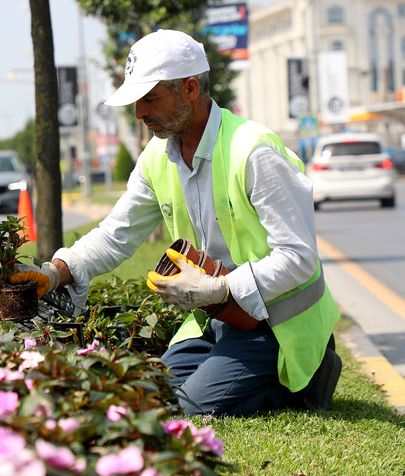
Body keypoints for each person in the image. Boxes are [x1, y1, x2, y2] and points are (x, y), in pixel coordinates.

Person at [25, 30, 341, 416]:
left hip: (279, 326)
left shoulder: (254, 150)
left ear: (190, 88)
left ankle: (308, 376)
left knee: (189, 407)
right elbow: (115, 236)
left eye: (150, 98)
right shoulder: (158, 157)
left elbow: (299, 257)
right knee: (151, 397)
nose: (139, 113)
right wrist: (56, 273)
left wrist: (220, 287)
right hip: (219, 318)